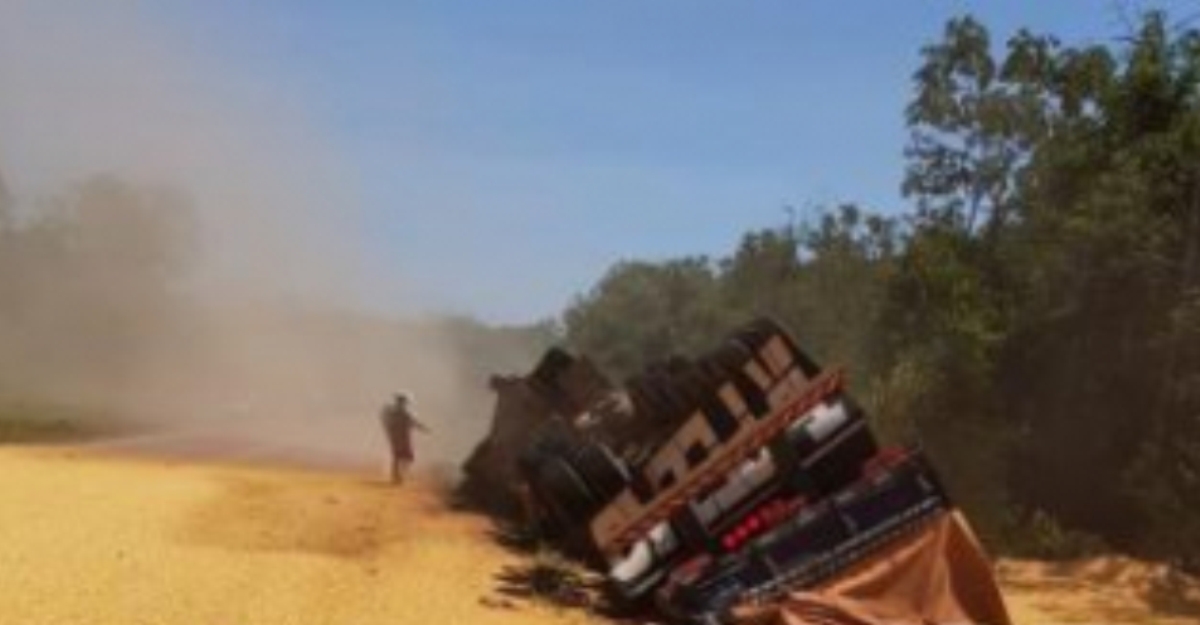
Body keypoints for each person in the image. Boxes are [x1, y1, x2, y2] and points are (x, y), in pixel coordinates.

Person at [380, 392, 430, 484]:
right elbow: (414, 423)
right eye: (404, 402)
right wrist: (424, 429)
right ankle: (398, 476)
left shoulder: (394, 412)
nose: (404, 404)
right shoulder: (404, 413)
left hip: (397, 438)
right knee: (406, 458)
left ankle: (397, 476)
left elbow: (388, 424)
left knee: (399, 457)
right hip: (403, 438)